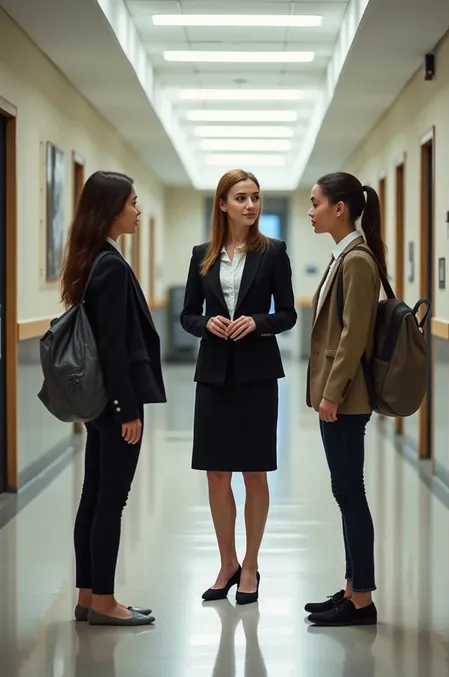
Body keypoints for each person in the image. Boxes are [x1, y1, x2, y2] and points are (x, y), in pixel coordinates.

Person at [180, 169, 297, 605]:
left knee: (254, 472)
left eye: (256, 198)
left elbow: (287, 313)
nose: (251, 206)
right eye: (242, 198)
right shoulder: (202, 255)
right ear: (223, 204)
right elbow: (187, 314)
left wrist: (259, 322)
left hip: (256, 374)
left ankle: (250, 565)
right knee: (216, 473)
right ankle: (226, 561)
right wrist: (205, 323)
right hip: (212, 374)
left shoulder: (273, 253)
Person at [61, 170, 166, 626]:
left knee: (94, 496)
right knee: (111, 501)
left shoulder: (92, 258)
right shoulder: (110, 264)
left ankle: (87, 595)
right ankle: (105, 600)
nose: (138, 210)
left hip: (99, 402)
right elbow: (113, 345)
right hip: (116, 403)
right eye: (133, 203)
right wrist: (127, 409)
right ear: (112, 209)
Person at [304, 171, 385, 627]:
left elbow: (354, 335)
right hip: (338, 396)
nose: (310, 211)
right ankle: (353, 588)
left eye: (315, 203)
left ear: (340, 209)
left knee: (350, 493)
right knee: (345, 491)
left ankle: (362, 601)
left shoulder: (356, 259)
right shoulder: (345, 255)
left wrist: (332, 393)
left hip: (346, 399)